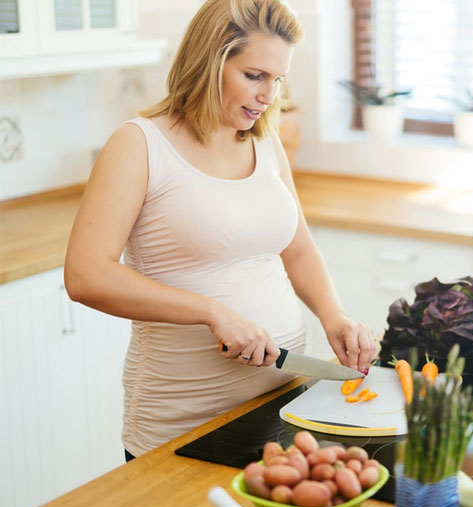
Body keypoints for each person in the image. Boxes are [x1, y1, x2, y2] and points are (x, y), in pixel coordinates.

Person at [64, 0, 376, 460]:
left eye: (278, 79)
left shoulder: (265, 141)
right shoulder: (140, 144)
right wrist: (211, 311)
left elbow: (298, 250)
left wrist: (335, 316)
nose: (269, 96)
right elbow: (86, 275)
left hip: (280, 407)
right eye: (255, 76)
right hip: (182, 422)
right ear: (210, 61)